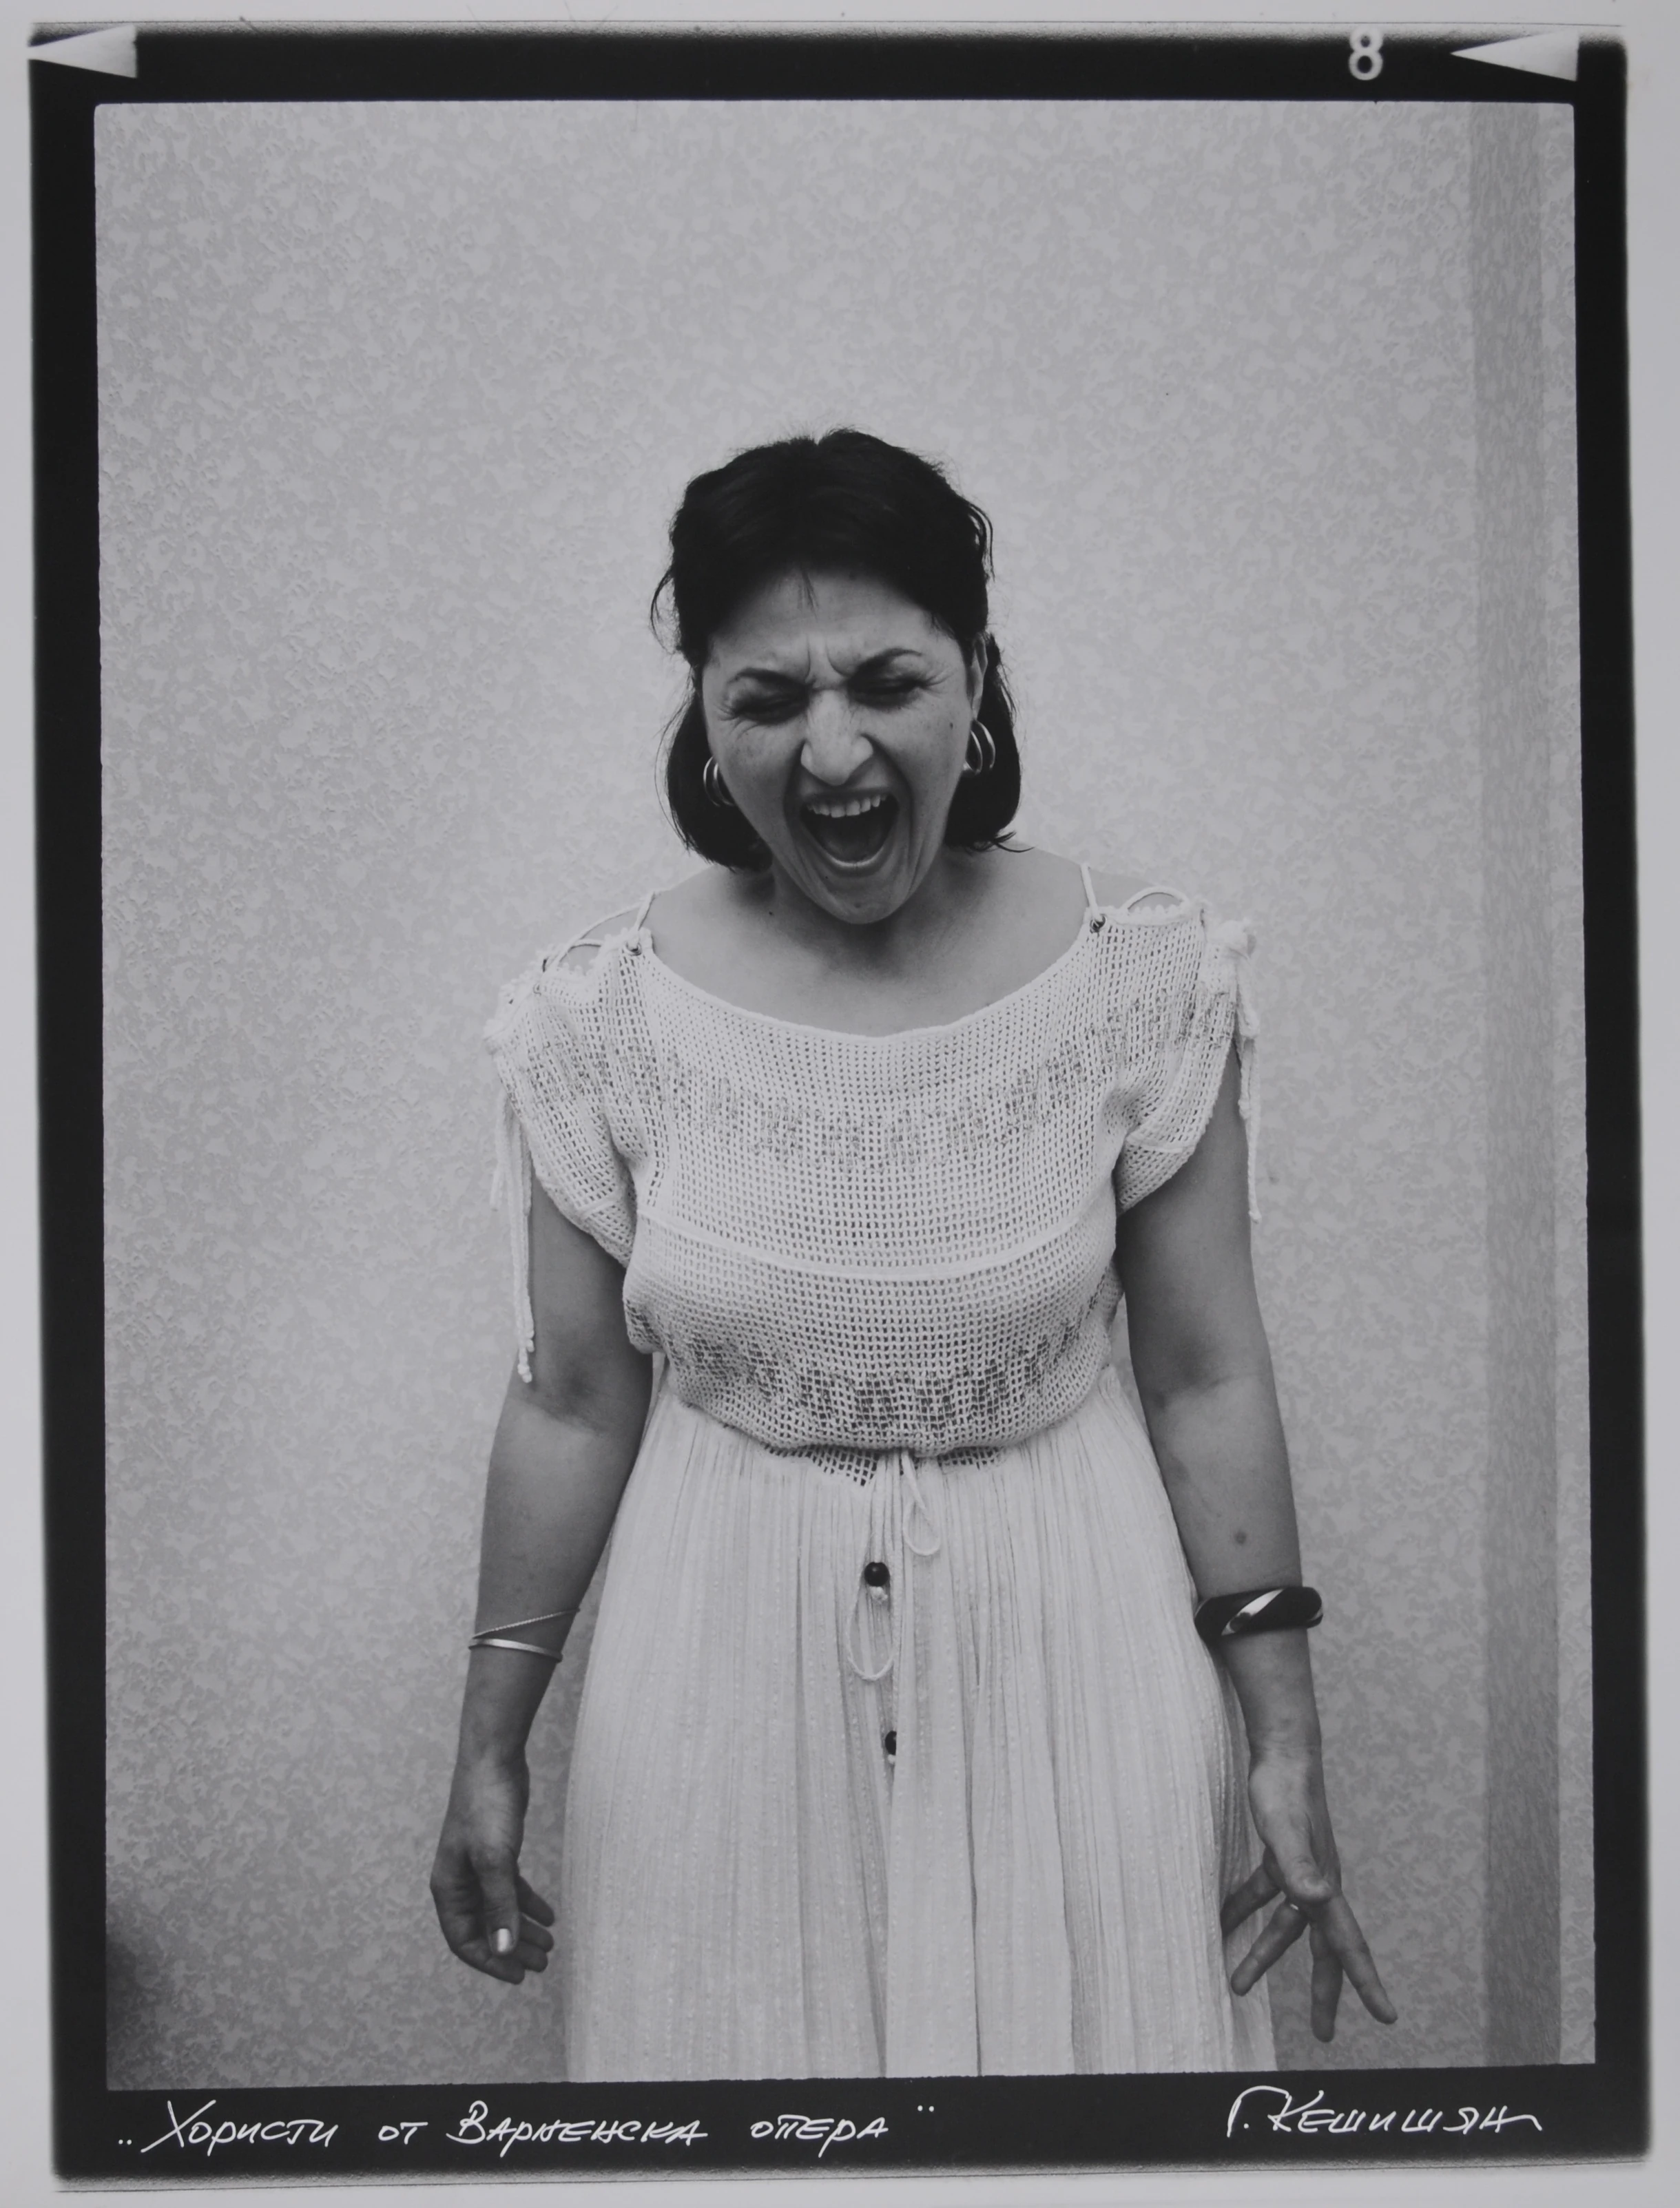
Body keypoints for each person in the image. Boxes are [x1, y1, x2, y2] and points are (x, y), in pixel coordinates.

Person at [430, 428, 1395, 2079]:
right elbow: (574, 1403)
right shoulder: (594, 1014)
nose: (834, 752)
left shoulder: (1140, 973)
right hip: (712, 1661)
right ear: (703, 718)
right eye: (767, 698)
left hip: (1076, 1642)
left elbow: (1204, 1371)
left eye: (887, 683)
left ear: (975, 683)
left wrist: (1285, 1740)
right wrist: (489, 1746)